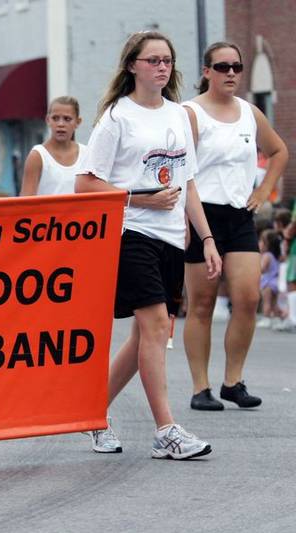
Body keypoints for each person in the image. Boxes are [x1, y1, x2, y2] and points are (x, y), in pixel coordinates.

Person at [76, 31, 222, 459]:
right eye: (153, 59)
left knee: (144, 335)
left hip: (172, 237)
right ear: (132, 66)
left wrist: (208, 238)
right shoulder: (117, 117)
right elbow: (85, 183)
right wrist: (137, 198)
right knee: (157, 326)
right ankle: (166, 431)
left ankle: (90, 414)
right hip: (129, 232)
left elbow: (187, 181)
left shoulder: (179, 115)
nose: (162, 66)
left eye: (168, 60)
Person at [181, 41, 288, 411]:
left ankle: (233, 381)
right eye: (222, 67)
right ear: (206, 71)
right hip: (200, 214)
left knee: (248, 298)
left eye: (237, 67)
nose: (230, 74)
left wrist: (264, 189)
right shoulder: (190, 114)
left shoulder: (250, 113)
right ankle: (200, 387)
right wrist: (185, 219)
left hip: (239, 214)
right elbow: (182, 170)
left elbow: (279, 151)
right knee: (202, 303)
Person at [21, 96, 87, 196]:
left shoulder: (86, 154)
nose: (60, 124)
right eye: (55, 118)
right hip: (45, 212)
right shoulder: (37, 156)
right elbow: (25, 202)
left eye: (67, 119)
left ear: (78, 122)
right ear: (48, 120)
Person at [257, 229, 285, 328]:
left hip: (267, 284)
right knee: (274, 303)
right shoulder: (277, 256)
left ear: (267, 244)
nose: (259, 243)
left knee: (266, 302)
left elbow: (262, 269)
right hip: (275, 282)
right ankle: (277, 318)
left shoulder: (266, 256)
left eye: (261, 241)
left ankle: (266, 318)